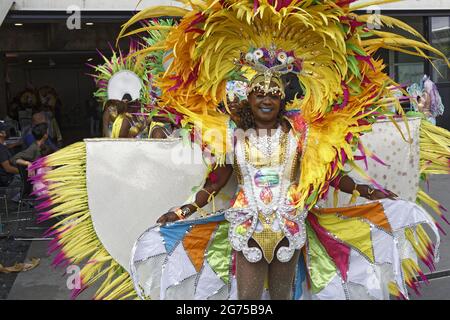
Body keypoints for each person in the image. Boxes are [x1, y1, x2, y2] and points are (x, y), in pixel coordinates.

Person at [0, 122, 19, 187]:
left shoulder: (3, 146)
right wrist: (23, 172)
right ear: (1, 134)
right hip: (8, 181)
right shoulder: (1, 149)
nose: (8, 131)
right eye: (6, 130)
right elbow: (8, 168)